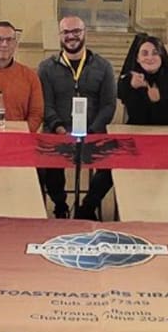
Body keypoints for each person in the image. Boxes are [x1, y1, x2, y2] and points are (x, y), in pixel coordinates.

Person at [37, 15, 117, 219]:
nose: (71, 36)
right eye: (66, 32)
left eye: (76, 32)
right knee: (46, 164)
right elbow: (45, 104)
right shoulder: (46, 68)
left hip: (94, 134)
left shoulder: (103, 66)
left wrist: (92, 131)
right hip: (58, 132)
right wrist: (59, 128)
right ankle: (60, 205)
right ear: (60, 36)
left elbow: (109, 105)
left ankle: (87, 207)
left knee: (113, 165)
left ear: (84, 34)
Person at [116, 35, 168, 125]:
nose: (149, 58)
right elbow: (135, 116)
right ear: (137, 58)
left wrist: (159, 100)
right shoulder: (130, 79)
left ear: (162, 56)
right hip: (136, 131)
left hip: (167, 132)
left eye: (155, 53)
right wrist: (131, 86)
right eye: (144, 53)